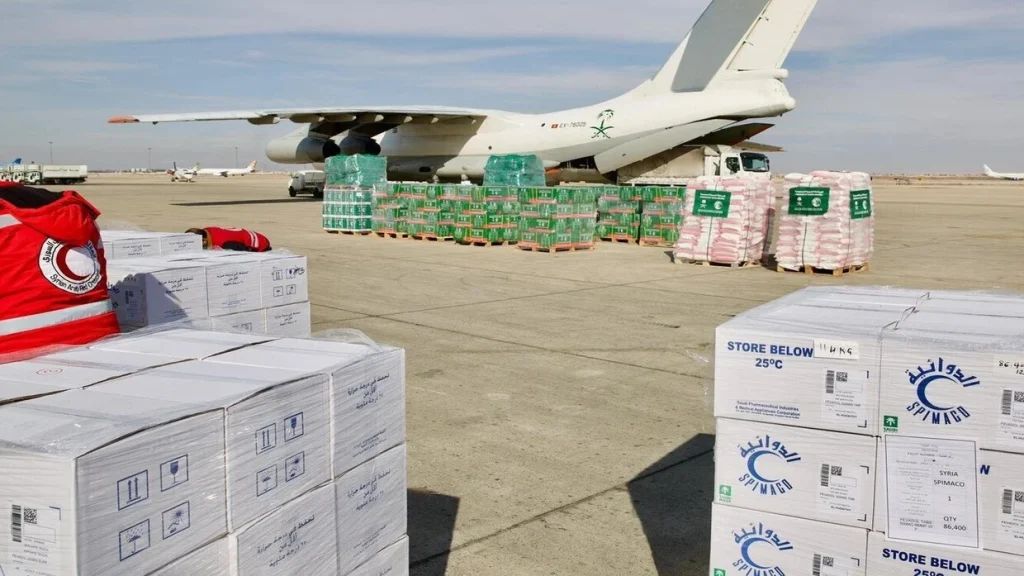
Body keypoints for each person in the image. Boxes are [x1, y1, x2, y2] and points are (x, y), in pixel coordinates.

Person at [186, 226, 271, 252]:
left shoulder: (224, 244)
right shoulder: (207, 230)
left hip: (260, 243)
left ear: (204, 241)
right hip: (248, 235)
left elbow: (244, 251)